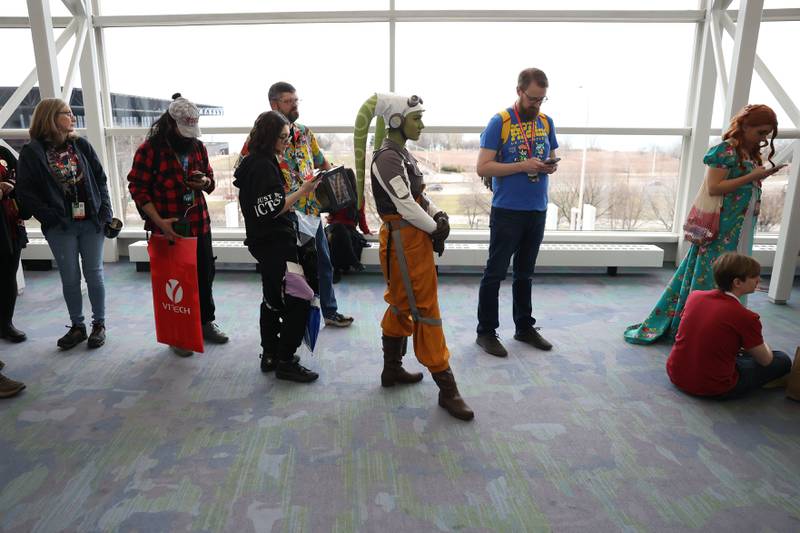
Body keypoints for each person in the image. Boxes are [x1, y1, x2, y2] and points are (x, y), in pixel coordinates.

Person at [354, 92, 474, 421]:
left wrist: (439, 216)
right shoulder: (387, 158)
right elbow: (405, 205)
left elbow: (418, 196)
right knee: (425, 310)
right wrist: (435, 227)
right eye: (416, 118)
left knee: (401, 303)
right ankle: (448, 390)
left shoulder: (401, 154)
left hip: (410, 238)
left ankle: (390, 370)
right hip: (403, 240)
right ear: (396, 120)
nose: (422, 124)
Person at [625, 104, 782, 344]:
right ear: (745, 126)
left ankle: (722, 326)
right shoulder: (725, 151)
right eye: (760, 132)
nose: (764, 139)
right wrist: (753, 176)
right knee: (711, 276)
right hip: (721, 226)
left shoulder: (748, 152)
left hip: (738, 226)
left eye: (767, 134)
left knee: (732, 276)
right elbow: (714, 187)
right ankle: (698, 327)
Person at [127, 94, 228, 356]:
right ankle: (178, 333)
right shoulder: (149, 150)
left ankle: (206, 322)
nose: (188, 136)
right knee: (175, 281)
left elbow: (211, 180)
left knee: (205, 274)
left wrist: (204, 183)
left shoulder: (197, 147)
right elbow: (137, 188)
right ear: (170, 124)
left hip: (199, 223)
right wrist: (158, 221)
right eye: (183, 131)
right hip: (167, 226)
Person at [474, 68, 559, 357]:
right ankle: (485, 332)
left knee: (525, 273)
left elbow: (548, 156)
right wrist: (523, 166)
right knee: (495, 272)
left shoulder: (546, 122)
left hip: (537, 209)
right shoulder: (500, 122)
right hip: (507, 210)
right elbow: (483, 167)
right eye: (533, 98)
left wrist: (548, 165)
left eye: (542, 99)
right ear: (519, 91)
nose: (536, 104)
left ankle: (524, 327)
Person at [16, 98, 113, 350]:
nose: (72, 117)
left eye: (71, 112)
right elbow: (26, 192)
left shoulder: (80, 145)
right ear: (50, 117)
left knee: (95, 274)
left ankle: (99, 325)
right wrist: (50, 217)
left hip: (91, 220)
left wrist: (105, 212)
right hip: (61, 226)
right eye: (66, 113)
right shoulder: (33, 152)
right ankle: (78, 326)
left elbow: (101, 180)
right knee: (70, 278)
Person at [256, 82, 354, 328]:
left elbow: (321, 162)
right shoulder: (262, 138)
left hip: (311, 212)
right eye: (289, 101)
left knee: (324, 264)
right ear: (274, 104)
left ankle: (330, 313)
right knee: (290, 273)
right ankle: (291, 321)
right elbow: (247, 173)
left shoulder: (305, 133)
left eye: (296, 100)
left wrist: (338, 181)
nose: (295, 105)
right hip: (285, 216)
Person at [233, 111, 320, 382]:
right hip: (273, 242)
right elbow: (272, 207)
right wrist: (303, 191)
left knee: (272, 298)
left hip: (263, 241)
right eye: (282, 137)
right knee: (300, 297)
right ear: (270, 137)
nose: (287, 141)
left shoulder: (253, 163)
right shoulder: (263, 167)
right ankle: (285, 360)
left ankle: (270, 353)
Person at [665, 253, 792, 399]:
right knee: (781, 359)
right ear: (737, 282)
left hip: (676, 373)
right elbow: (766, 360)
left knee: (740, 353)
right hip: (714, 386)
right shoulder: (746, 316)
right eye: (754, 276)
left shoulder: (695, 296)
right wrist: (764, 345)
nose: (759, 279)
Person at [0, 146, 28, 342]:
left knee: (9, 273)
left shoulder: (3, 152)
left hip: (11, 224)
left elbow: (22, 177)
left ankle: (6, 324)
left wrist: (10, 184)